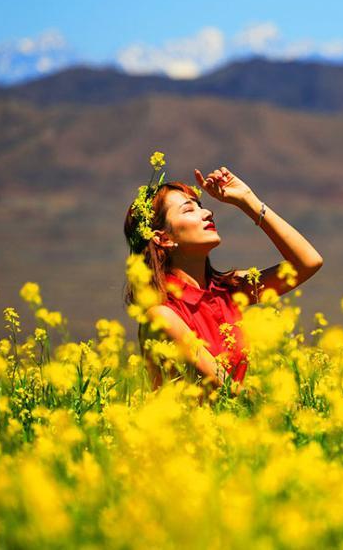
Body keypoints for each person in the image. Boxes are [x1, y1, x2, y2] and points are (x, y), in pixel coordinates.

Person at [123, 162, 323, 395]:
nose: (207, 212)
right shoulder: (162, 315)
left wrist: (247, 200)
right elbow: (227, 391)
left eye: (201, 206)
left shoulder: (227, 290)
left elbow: (308, 262)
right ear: (163, 239)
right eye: (189, 210)